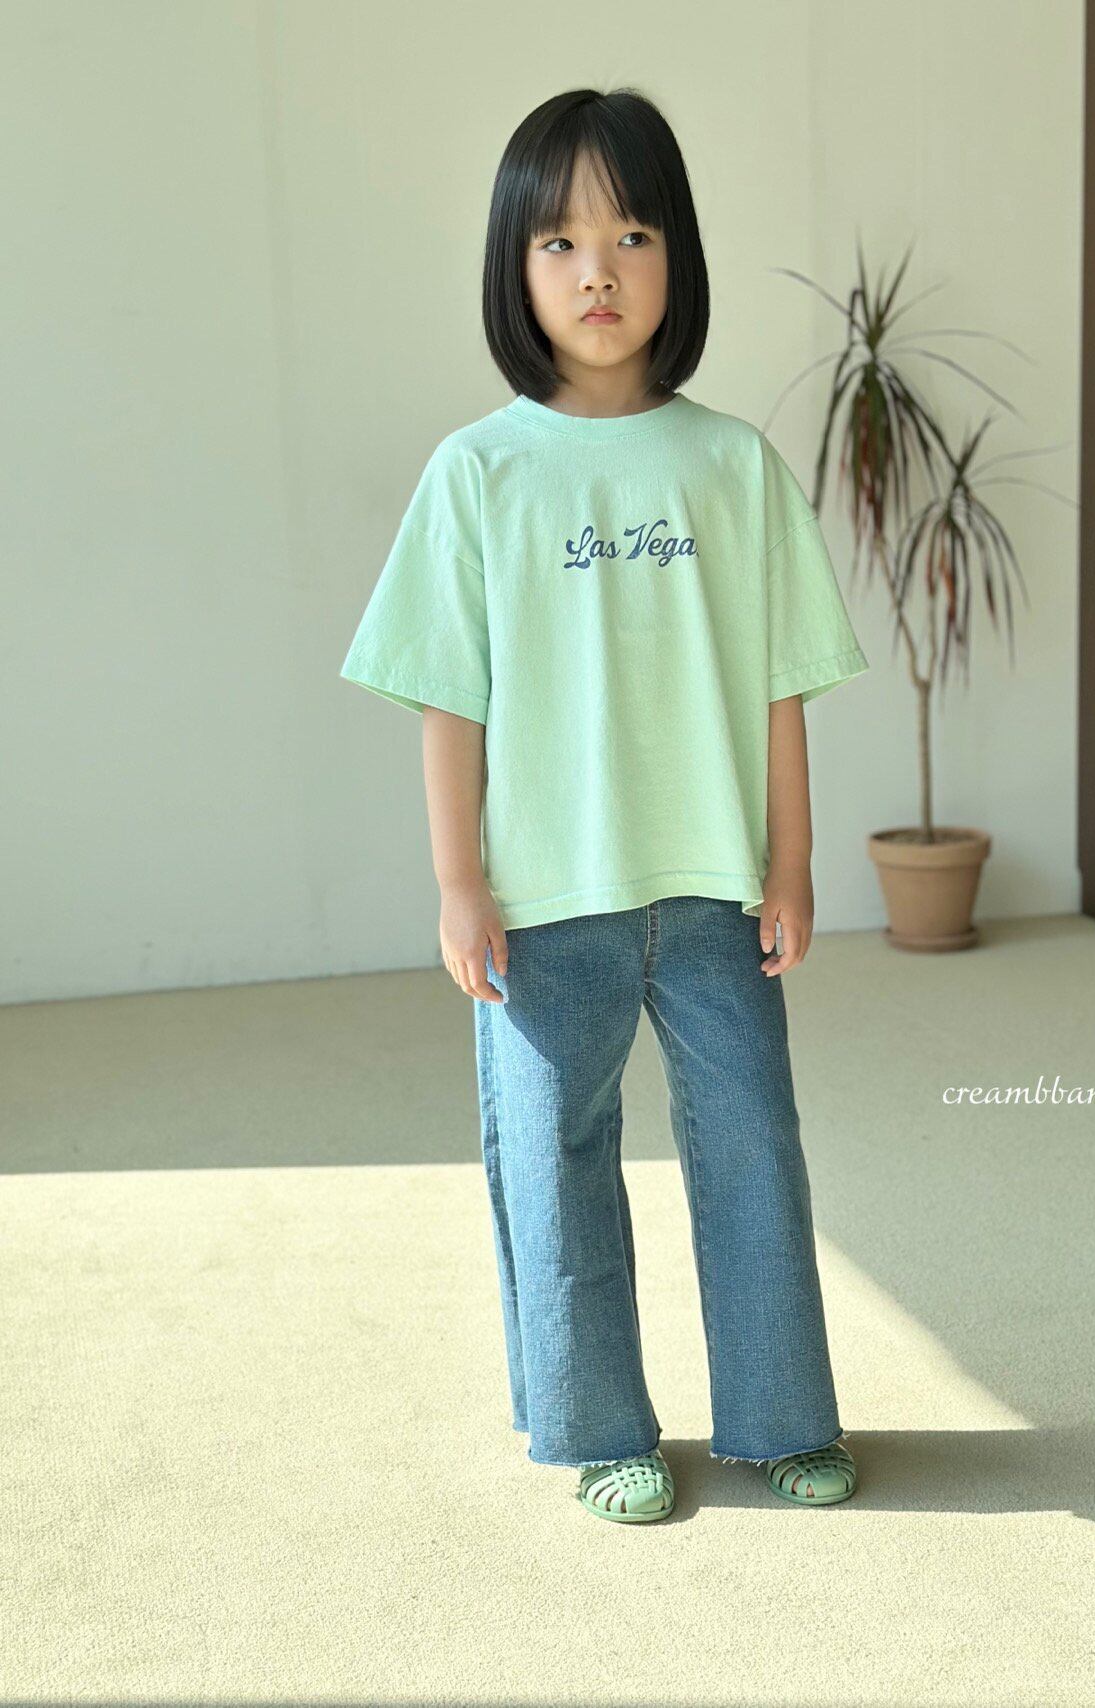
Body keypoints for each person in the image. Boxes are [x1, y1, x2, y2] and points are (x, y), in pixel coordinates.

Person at [340, 87, 870, 1524]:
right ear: (514, 269)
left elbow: (782, 686)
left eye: (632, 235)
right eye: (560, 241)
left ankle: (783, 1417)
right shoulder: (478, 474)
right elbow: (446, 699)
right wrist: (459, 885)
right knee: (553, 1158)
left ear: (677, 256)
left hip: (713, 890)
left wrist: (792, 862)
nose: (598, 271)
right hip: (541, 900)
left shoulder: (734, 466)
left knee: (754, 1147)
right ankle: (595, 1429)